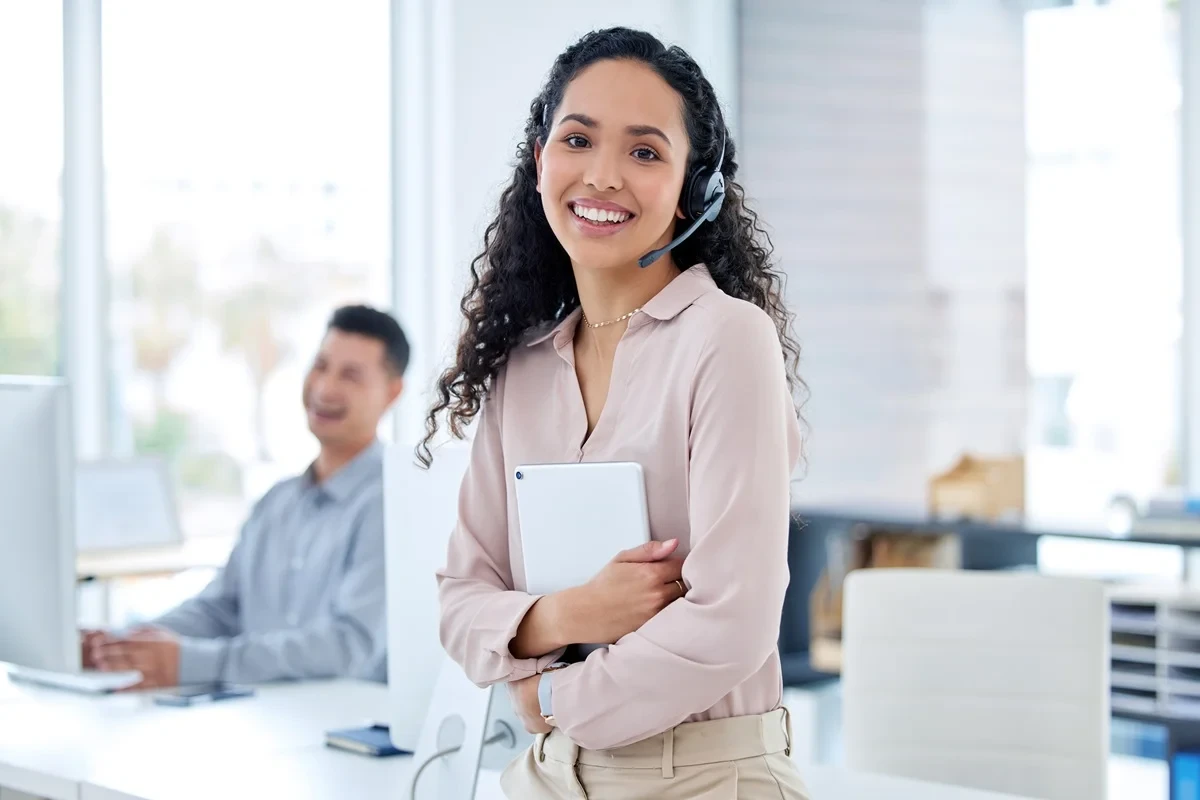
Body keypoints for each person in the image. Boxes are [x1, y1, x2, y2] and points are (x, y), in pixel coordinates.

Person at [428, 27, 808, 800]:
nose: (602, 177)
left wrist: (553, 696)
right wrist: (568, 613)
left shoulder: (728, 340)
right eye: (578, 139)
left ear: (692, 190)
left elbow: (732, 622)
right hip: (547, 776)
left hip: (704, 775)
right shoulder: (523, 369)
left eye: (644, 152)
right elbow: (462, 600)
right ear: (540, 162)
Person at [84, 305, 409, 689]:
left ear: (391, 393)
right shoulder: (276, 502)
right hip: (257, 719)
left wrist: (196, 663)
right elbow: (221, 609)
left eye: (350, 375)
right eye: (320, 366)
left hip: (340, 727)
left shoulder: (393, 502)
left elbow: (349, 646)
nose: (325, 388)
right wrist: (125, 643)